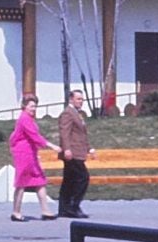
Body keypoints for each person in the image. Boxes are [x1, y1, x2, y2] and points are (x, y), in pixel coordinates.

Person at [9, 94, 60, 222]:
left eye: (35, 106)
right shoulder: (24, 118)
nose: (34, 108)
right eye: (31, 106)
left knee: (39, 179)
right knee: (21, 182)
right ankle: (16, 212)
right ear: (24, 106)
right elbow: (34, 135)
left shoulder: (29, 118)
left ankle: (45, 211)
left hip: (30, 152)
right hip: (23, 153)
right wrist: (51, 145)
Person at [57, 90, 95, 219]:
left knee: (69, 180)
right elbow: (64, 132)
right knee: (82, 178)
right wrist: (66, 149)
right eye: (78, 99)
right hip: (72, 153)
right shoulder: (68, 113)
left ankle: (64, 208)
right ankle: (73, 206)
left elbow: (81, 134)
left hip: (78, 150)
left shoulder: (77, 114)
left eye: (82, 99)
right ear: (71, 99)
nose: (81, 102)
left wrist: (89, 148)